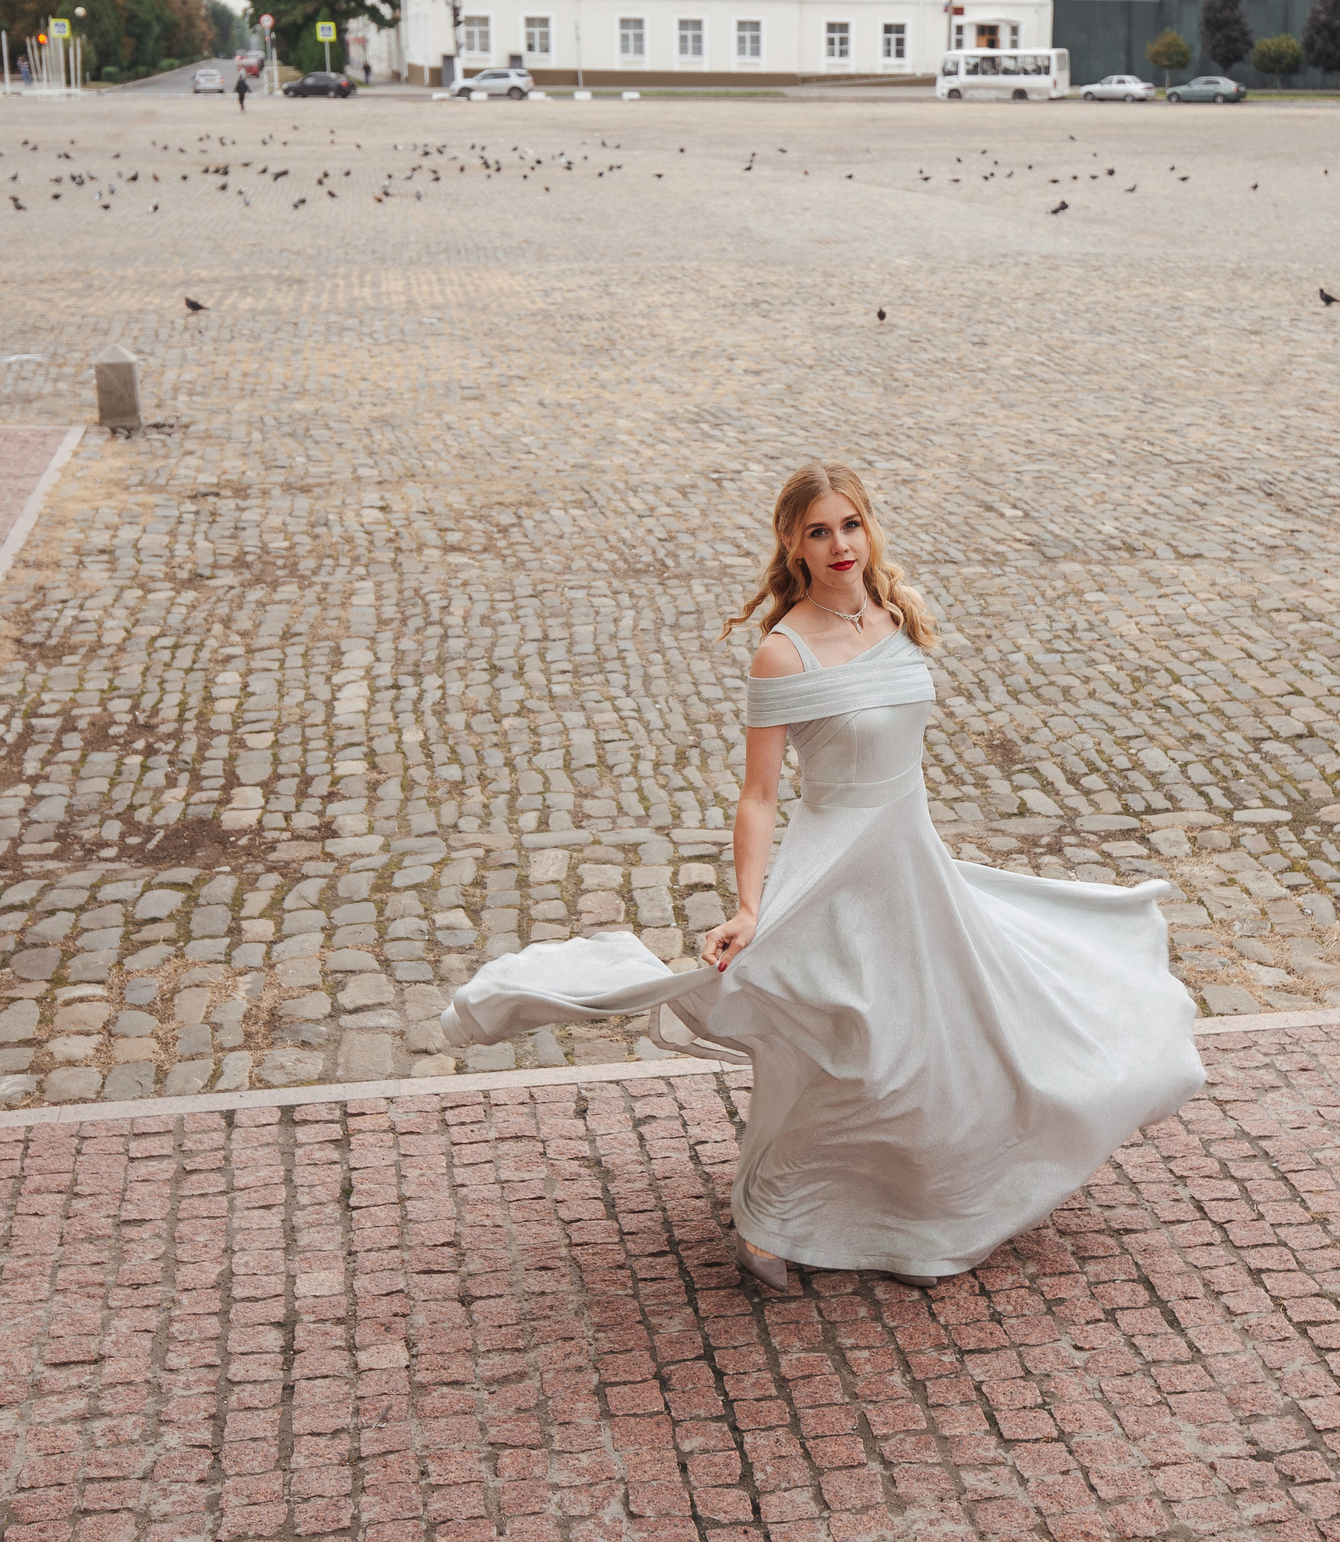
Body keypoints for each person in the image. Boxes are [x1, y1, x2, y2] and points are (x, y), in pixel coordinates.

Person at [438, 463, 1205, 1290]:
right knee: (855, 1055)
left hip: (910, 862)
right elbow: (760, 796)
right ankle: (769, 1220)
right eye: (818, 531)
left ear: (868, 529)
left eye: (851, 525)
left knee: (945, 1043)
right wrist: (747, 902)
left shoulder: (896, 614)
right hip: (834, 868)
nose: (840, 544)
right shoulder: (782, 653)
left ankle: (913, 1209)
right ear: (792, 545)